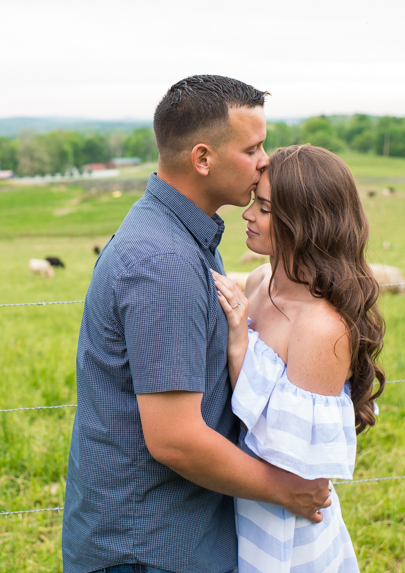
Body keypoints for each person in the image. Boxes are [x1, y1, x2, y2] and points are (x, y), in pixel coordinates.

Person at [63, 76, 332, 573]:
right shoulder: (162, 261)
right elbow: (175, 438)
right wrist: (287, 490)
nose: (264, 160)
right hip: (153, 550)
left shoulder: (183, 237)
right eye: (252, 148)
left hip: (172, 538)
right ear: (202, 158)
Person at [212, 144, 386, 573]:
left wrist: (239, 346)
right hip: (238, 506)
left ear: (305, 222)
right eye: (255, 200)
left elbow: (288, 452)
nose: (248, 214)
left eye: (265, 208)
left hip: (284, 527)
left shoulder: (321, 326)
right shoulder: (258, 279)